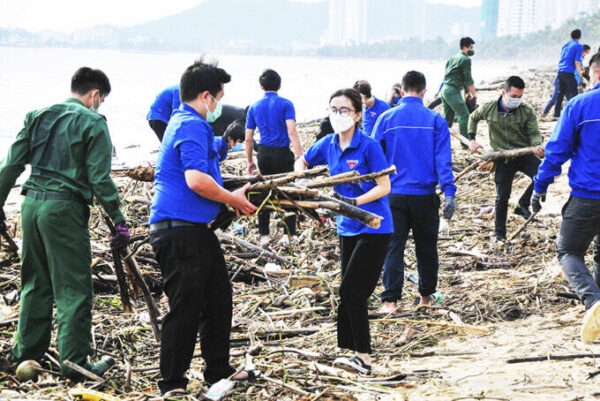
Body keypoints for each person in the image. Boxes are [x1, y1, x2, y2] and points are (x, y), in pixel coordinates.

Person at [0, 67, 129, 380]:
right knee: (73, 289)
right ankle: (75, 364)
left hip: (30, 207)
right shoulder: (93, 121)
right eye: (101, 100)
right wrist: (118, 218)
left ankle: (26, 354)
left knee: (34, 283)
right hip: (63, 210)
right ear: (95, 95)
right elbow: (99, 178)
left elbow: (12, 164)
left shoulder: (37, 115)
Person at [149, 59, 258, 397]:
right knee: (186, 307)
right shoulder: (188, 124)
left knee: (217, 300)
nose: (220, 105)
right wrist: (233, 199)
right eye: (220, 97)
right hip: (178, 231)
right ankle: (172, 384)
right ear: (207, 96)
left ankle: (218, 371)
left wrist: (227, 142)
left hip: (196, 230)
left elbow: (210, 156)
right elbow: (196, 180)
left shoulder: (193, 125)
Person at [295, 88, 393, 374]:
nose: (338, 115)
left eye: (344, 110)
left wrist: (353, 202)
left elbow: (384, 186)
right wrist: (300, 173)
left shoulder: (369, 146)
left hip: (374, 225)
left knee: (353, 290)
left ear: (358, 114)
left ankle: (364, 358)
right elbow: (303, 160)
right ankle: (350, 350)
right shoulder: (328, 144)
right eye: (333, 109)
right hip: (346, 227)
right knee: (349, 289)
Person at [372, 71, 457, 314]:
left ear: (401, 90)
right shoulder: (435, 120)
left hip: (393, 195)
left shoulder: (386, 118)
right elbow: (443, 160)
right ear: (423, 91)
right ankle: (426, 297)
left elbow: (373, 158)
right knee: (426, 247)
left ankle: (390, 302)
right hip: (424, 195)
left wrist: (372, 192)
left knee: (393, 247)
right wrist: (449, 191)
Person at [531, 57, 600, 343]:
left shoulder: (580, 105)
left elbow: (557, 150)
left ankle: (593, 301)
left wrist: (540, 185)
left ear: (597, 73)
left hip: (588, 196)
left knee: (568, 251)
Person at [468, 76, 543, 242]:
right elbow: (473, 118)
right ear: (504, 93)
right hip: (502, 158)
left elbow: (534, 134)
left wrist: (537, 146)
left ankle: (523, 204)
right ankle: (499, 235)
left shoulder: (526, 111)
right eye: (514, 97)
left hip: (523, 154)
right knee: (502, 197)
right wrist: (472, 139)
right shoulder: (488, 108)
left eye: (520, 97)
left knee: (543, 176)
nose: (517, 100)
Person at [245, 69, 303, 246]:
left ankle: (264, 235)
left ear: (261, 86)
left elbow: (248, 138)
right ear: (279, 85)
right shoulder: (286, 104)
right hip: (282, 153)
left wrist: (249, 161)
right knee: (287, 190)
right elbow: (292, 131)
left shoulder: (254, 107)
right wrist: (301, 156)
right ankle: (288, 235)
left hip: (264, 154)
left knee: (264, 190)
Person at [147, 84, 246, 141]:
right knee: (169, 143)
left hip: (166, 118)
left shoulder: (191, 94)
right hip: (158, 118)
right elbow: (178, 114)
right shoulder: (180, 91)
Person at [441, 37, 477, 141]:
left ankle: (439, 141)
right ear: (465, 47)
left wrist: (466, 91)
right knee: (464, 116)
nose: (472, 49)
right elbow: (469, 80)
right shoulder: (465, 60)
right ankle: (465, 143)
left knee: (447, 119)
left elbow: (450, 74)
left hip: (445, 89)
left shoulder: (453, 57)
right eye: (471, 47)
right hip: (453, 91)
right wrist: (475, 95)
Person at [554, 29, 584, 118]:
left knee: (560, 93)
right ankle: (573, 114)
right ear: (580, 37)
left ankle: (557, 114)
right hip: (568, 72)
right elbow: (577, 62)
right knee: (574, 93)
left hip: (560, 71)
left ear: (570, 36)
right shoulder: (578, 46)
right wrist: (581, 73)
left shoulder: (565, 45)